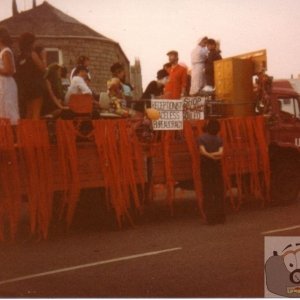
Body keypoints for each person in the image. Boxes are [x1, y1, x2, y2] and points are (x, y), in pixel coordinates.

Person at [197, 119, 225, 225]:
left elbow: (202, 151)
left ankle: (211, 219)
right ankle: (220, 217)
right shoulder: (219, 139)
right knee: (218, 191)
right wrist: (215, 156)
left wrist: (210, 156)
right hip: (217, 166)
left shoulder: (201, 138)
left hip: (206, 166)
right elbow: (221, 153)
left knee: (208, 192)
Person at [15, 32, 46, 119]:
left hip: (25, 87)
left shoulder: (20, 56)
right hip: (36, 86)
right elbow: (43, 69)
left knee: (28, 112)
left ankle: (26, 132)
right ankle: (35, 132)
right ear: (31, 42)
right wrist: (44, 58)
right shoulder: (33, 54)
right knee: (36, 113)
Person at [0, 27, 19, 125]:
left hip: (6, 84)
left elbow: (9, 70)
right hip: (1, 84)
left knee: (8, 109)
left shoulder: (6, 51)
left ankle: (12, 136)